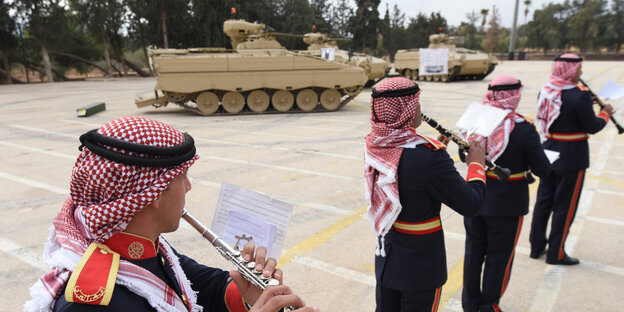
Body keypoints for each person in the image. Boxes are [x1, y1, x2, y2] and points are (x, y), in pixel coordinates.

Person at [24, 116, 317, 312]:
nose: (188, 187)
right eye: (182, 177)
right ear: (151, 192)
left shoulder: (141, 244)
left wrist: (244, 290)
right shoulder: (93, 301)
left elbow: (199, 286)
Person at [364, 76, 487, 312]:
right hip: (419, 268)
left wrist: (432, 152)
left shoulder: (374, 144)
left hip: (388, 259)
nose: (420, 108)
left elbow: (405, 166)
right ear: (406, 110)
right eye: (416, 102)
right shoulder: (429, 156)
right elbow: (472, 204)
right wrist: (476, 164)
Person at [459, 75, 551, 312]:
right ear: (514, 96)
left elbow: (463, 155)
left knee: (473, 254)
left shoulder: (478, 120)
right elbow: (542, 169)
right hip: (508, 203)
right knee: (499, 258)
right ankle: (489, 306)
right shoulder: (523, 128)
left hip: (476, 196)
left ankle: (469, 305)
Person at [530, 54, 615, 265]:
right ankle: (555, 253)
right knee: (564, 206)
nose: (581, 73)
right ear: (569, 71)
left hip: (548, 150)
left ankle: (536, 246)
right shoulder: (580, 96)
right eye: (578, 69)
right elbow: (593, 127)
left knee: (544, 201)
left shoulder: (546, 90)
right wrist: (605, 112)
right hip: (572, 155)